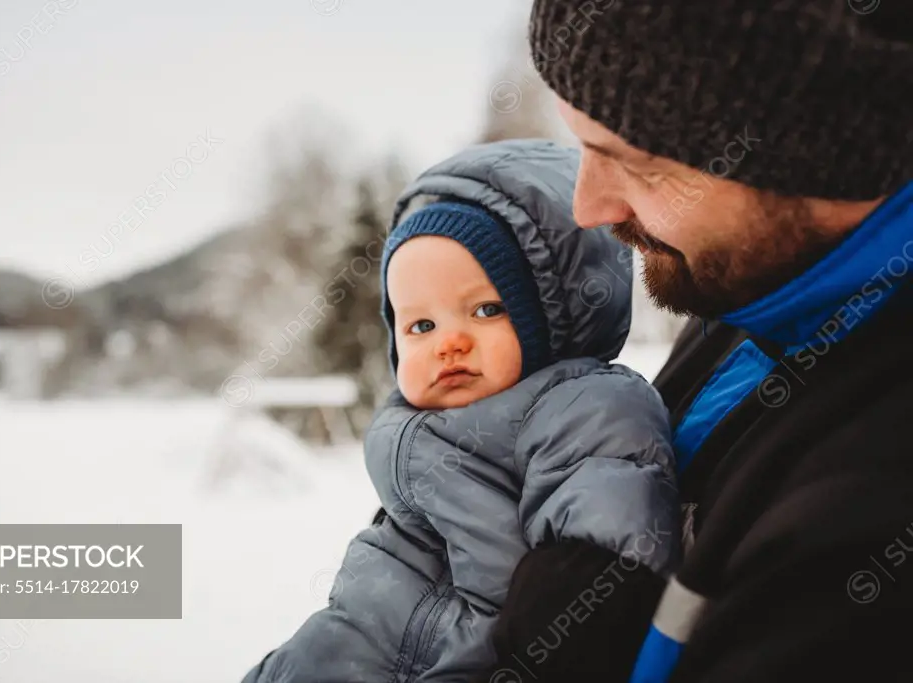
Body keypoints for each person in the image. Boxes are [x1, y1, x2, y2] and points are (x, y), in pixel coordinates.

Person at [480, 1, 913, 681]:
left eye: (642, 163)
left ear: (827, 154)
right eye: (583, 147)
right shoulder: (757, 291)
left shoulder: (871, 523)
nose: (589, 207)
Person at [241, 138, 681, 682]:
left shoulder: (581, 405)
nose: (448, 342)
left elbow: (609, 529)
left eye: (485, 309)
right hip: (362, 634)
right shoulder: (416, 421)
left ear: (551, 315)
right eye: (420, 326)